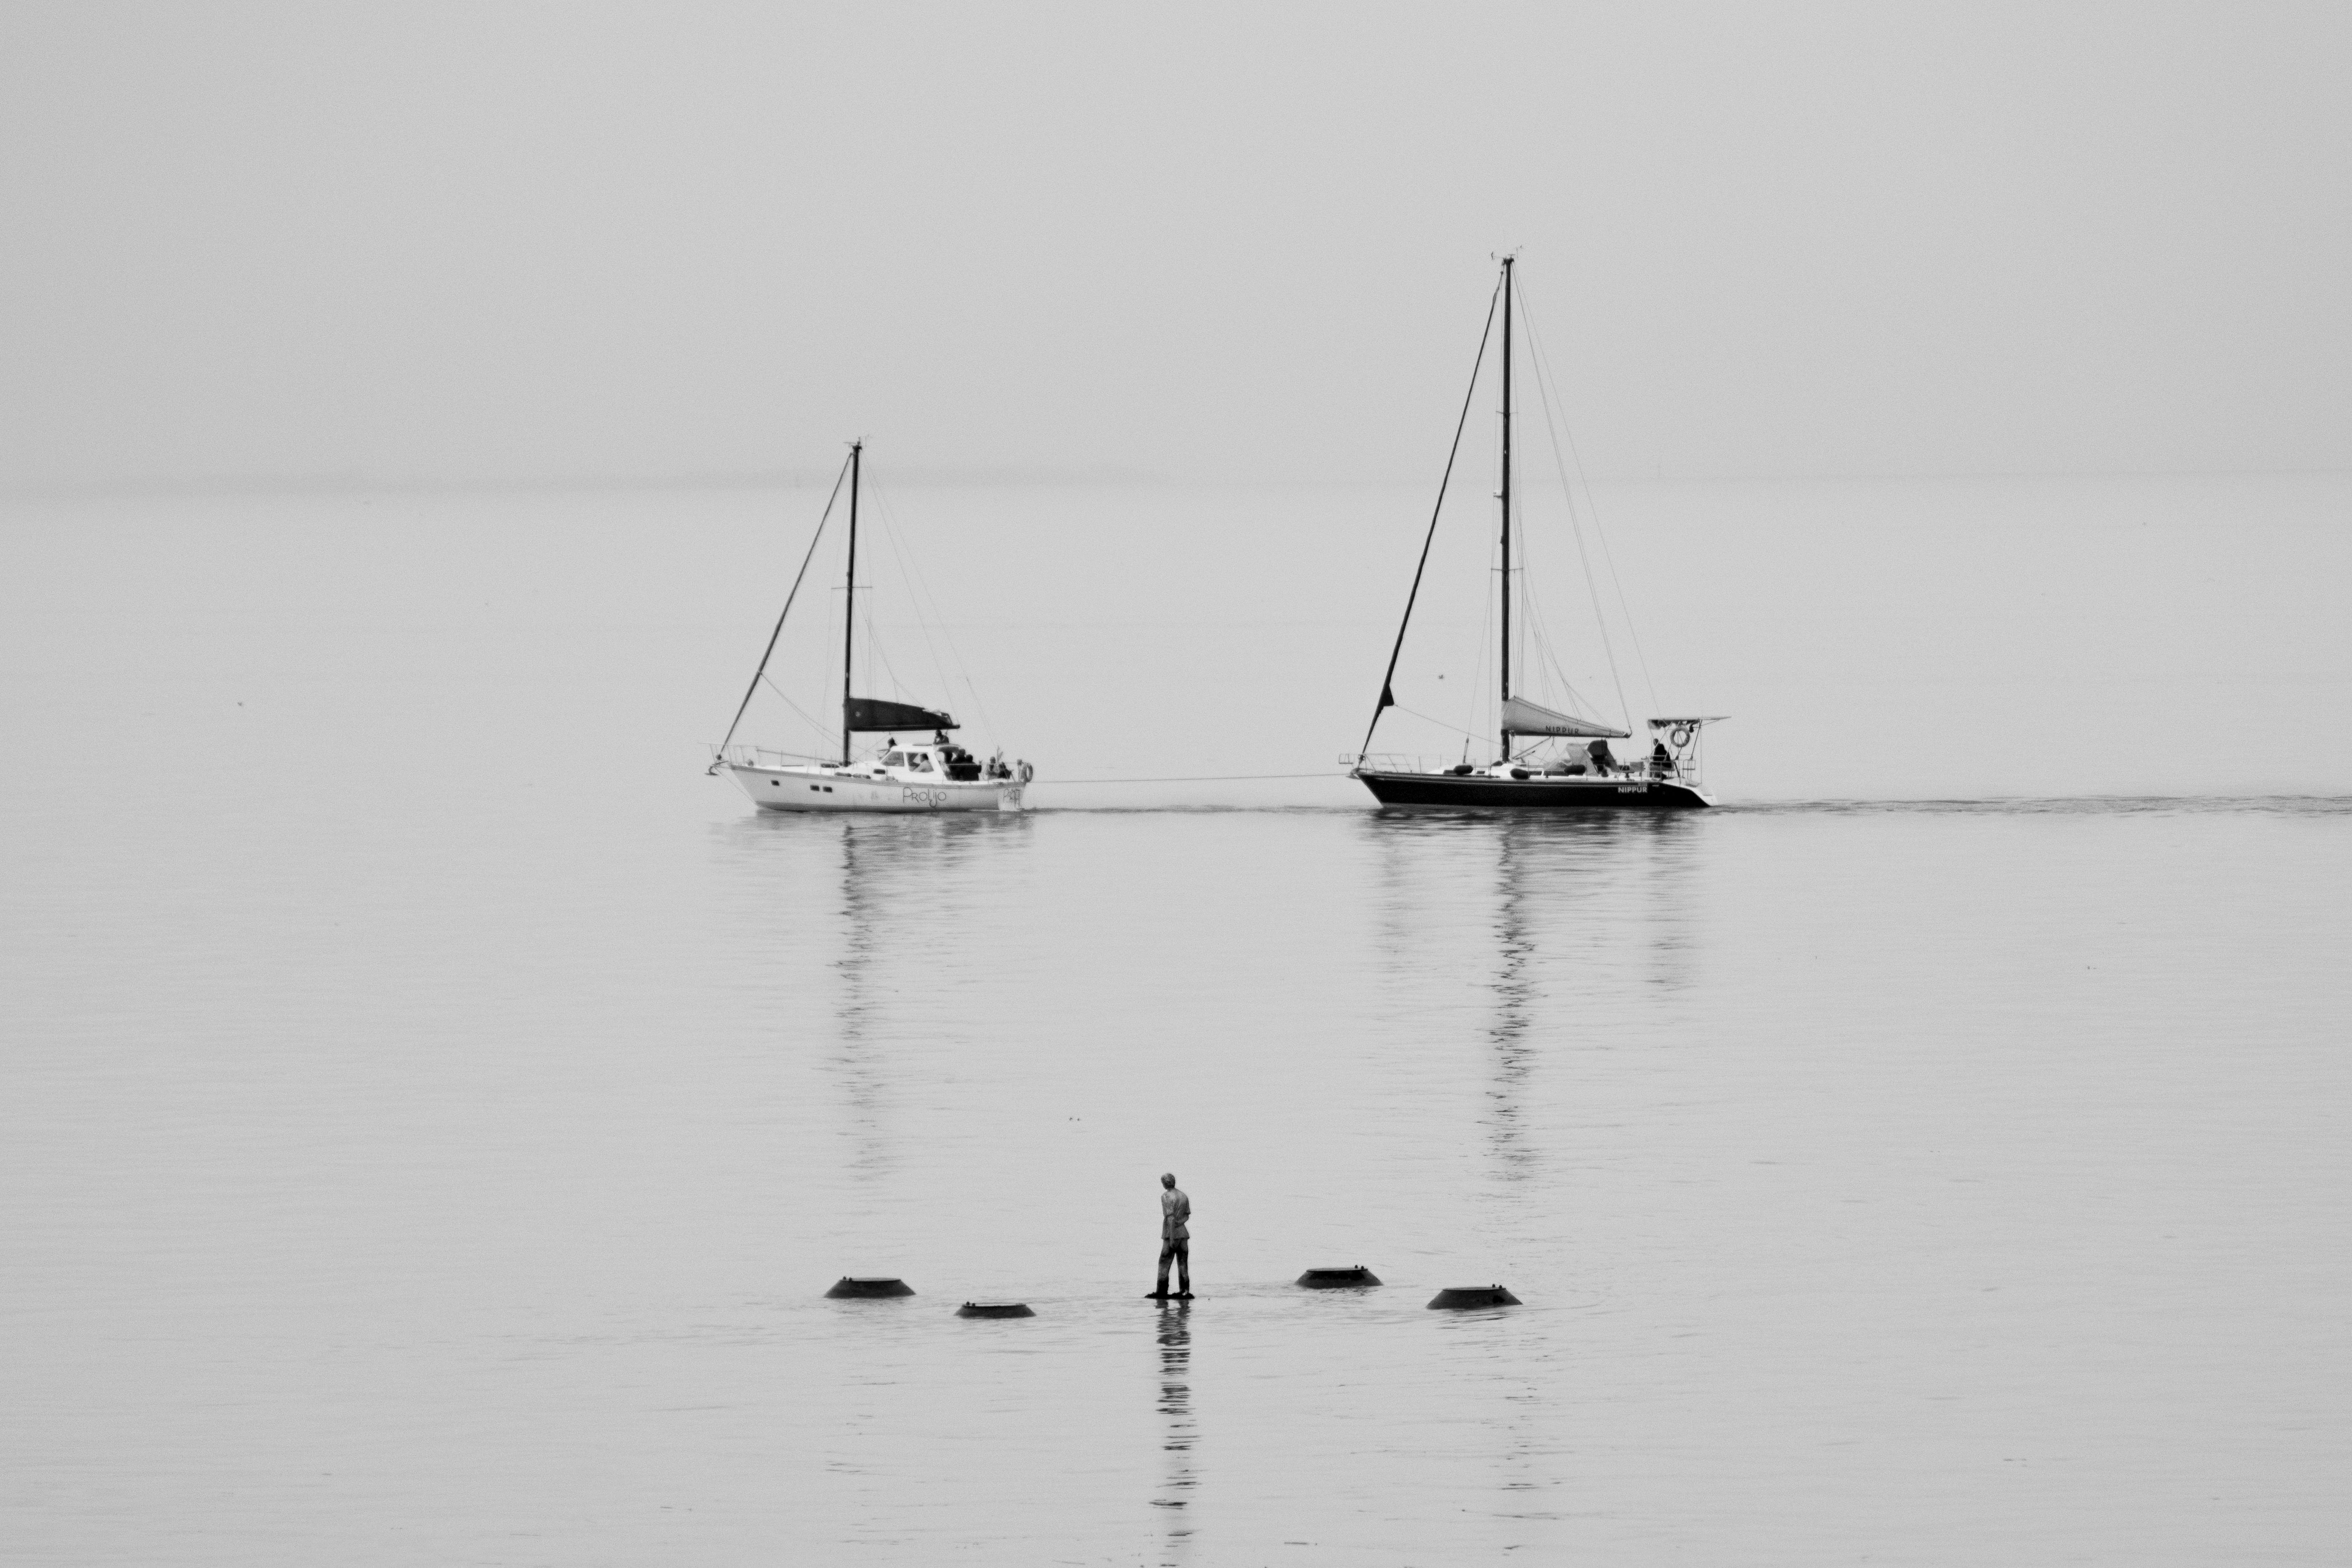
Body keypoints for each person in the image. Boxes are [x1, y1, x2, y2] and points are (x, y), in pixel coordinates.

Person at [1151, 1172, 1192, 1299]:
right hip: (1184, 1234)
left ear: (1165, 1183)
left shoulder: (1166, 1196)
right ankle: (1185, 1291)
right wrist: (1179, 1224)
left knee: (1164, 1261)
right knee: (1183, 1262)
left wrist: (1172, 1238)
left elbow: (1170, 1218)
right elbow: (1186, 1215)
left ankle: (1162, 1292)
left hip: (1171, 1235)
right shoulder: (1183, 1196)